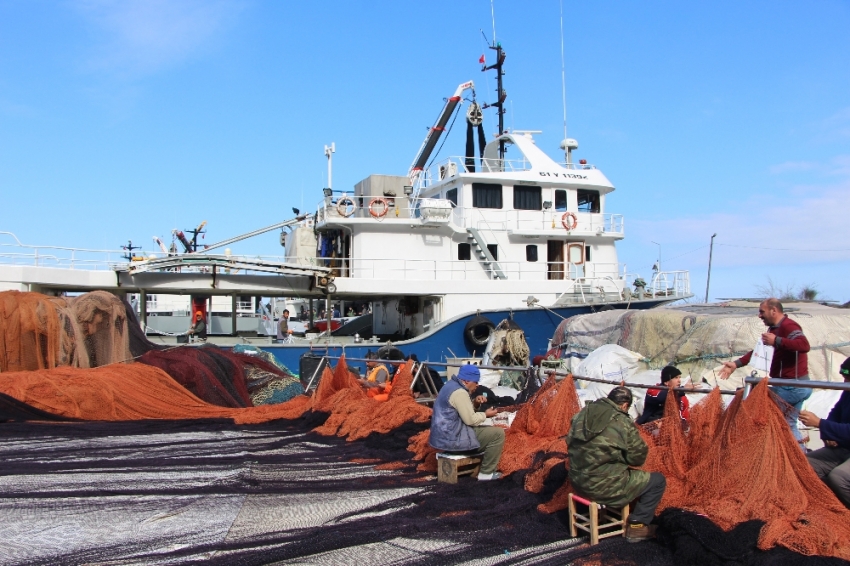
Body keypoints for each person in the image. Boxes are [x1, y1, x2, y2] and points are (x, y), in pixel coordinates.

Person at [566, 387, 666, 543]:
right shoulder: (622, 421)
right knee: (658, 481)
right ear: (625, 405)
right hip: (606, 488)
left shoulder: (582, 414)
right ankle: (637, 527)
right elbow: (637, 459)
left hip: (577, 482)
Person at [719, 298, 811, 450]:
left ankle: (753, 454)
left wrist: (778, 341)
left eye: (762, 312)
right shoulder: (773, 330)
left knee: (758, 412)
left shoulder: (789, 326)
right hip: (791, 385)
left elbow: (804, 345)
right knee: (788, 423)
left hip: (793, 386)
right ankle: (801, 459)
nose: (759, 316)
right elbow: (758, 352)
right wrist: (736, 364)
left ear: (773, 310)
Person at [429, 365, 505, 481]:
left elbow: (460, 411)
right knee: (497, 434)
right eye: (476, 381)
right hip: (452, 440)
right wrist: (486, 414)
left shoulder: (449, 386)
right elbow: (471, 420)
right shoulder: (460, 392)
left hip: (443, 438)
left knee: (484, 429)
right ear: (467, 381)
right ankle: (486, 474)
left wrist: (475, 403)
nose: (478, 385)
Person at [799, 357, 850, 508]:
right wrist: (829, 434)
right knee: (803, 464)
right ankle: (832, 507)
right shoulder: (847, 392)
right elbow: (836, 412)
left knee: (839, 477)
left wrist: (820, 424)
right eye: (844, 377)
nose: (845, 381)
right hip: (844, 447)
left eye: (848, 377)